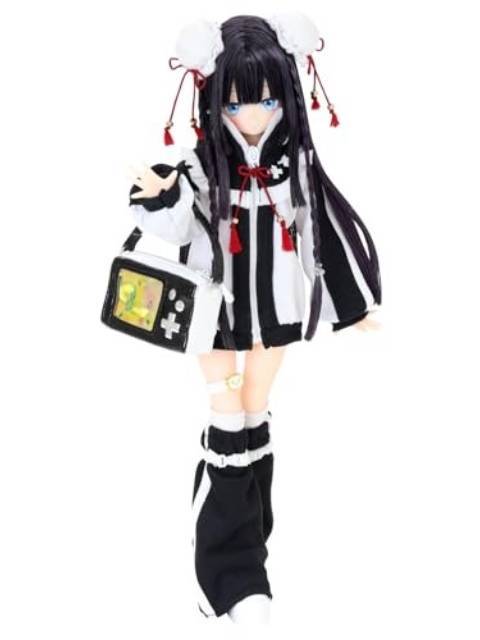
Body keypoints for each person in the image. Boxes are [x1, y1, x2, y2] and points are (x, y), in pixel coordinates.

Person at [127, 12, 382, 623]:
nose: (253, 117)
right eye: (237, 104)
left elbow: (326, 233)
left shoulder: (295, 166)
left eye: (267, 101)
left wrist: (351, 306)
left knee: (253, 416)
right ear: (214, 98)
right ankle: (226, 579)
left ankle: (248, 569)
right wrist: (160, 195)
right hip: (212, 315)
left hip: (275, 315)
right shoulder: (200, 165)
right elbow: (173, 225)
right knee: (228, 419)